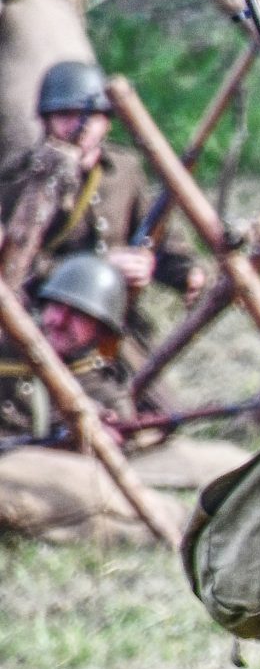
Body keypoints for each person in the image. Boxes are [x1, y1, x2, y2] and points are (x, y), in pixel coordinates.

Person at [0, 60, 200, 303]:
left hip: (113, 314)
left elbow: (157, 236)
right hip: (46, 316)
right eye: (65, 115)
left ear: (107, 122)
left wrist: (188, 273)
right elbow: (14, 266)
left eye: (91, 116)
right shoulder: (20, 178)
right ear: (46, 120)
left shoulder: (125, 169)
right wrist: (97, 266)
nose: (78, 127)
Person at [0, 252, 132, 434]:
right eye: (56, 306)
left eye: (78, 314)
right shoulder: (7, 347)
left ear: (101, 330)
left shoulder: (106, 398)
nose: (60, 321)